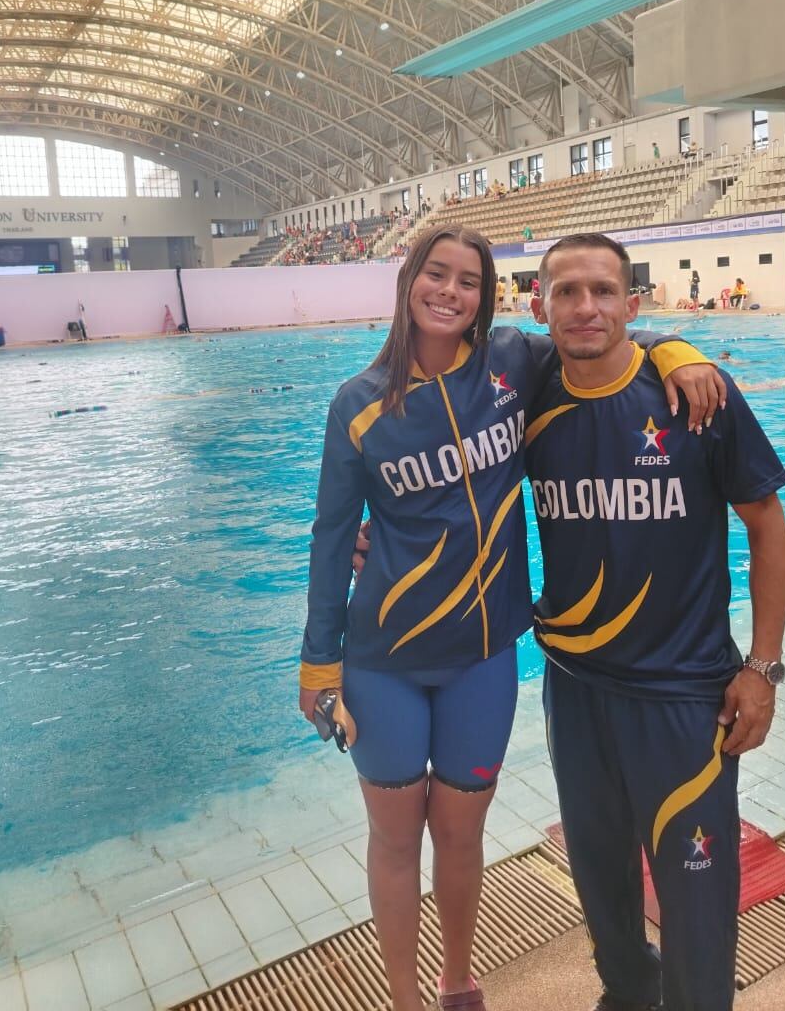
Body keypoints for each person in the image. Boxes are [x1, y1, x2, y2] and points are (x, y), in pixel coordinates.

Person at [300, 225, 722, 1011]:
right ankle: (402, 999)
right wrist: (317, 663)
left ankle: (459, 984)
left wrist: (676, 349)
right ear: (409, 280)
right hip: (384, 660)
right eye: (437, 274)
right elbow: (331, 538)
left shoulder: (510, 364)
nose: (449, 292)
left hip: (486, 658)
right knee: (396, 841)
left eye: (468, 281)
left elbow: (596, 331)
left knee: (461, 837)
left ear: (486, 297)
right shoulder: (356, 407)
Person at [528, 233, 785, 1011]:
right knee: (601, 881)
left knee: (698, 904)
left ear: (633, 305)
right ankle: (627, 993)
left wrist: (763, 667)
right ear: (539, 307)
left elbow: (767, 523)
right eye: (567, 292)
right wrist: (379, 533)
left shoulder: (696, 397)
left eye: (604, 291)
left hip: (684, 700)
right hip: (574, 690)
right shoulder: (530, 401)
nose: (586, 307)